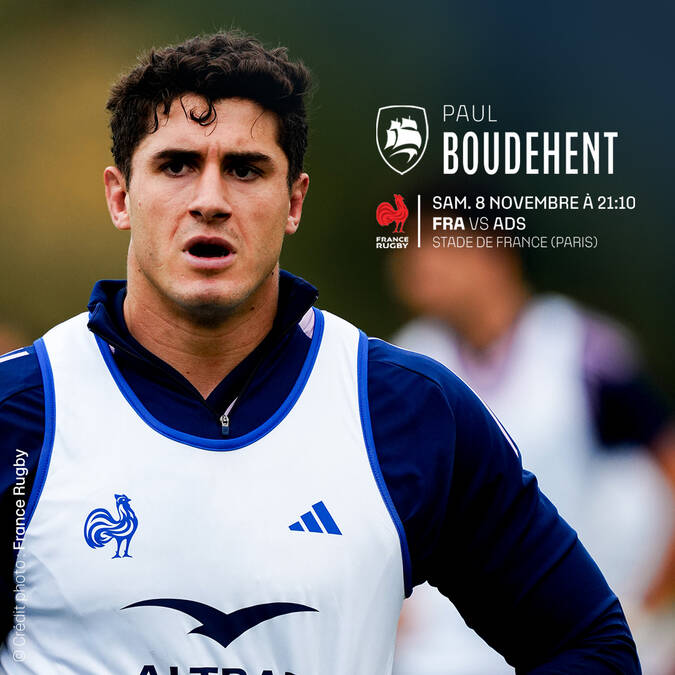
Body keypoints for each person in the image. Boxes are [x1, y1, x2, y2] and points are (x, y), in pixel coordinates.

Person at [0, 32, 642, 674]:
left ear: (294, 202)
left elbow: (592, 647)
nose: (210, 201)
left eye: (245, 169)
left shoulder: (406, 408)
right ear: (120, 197)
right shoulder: (18, 411)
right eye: (176, 166)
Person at [389, 210, 675, 674]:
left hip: (572, 631)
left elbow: (668, 465)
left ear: (495, 252)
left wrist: (652, 603)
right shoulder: (407, 359)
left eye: (438, 243)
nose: (418, 263)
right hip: (443, 652)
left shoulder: (578, 348)